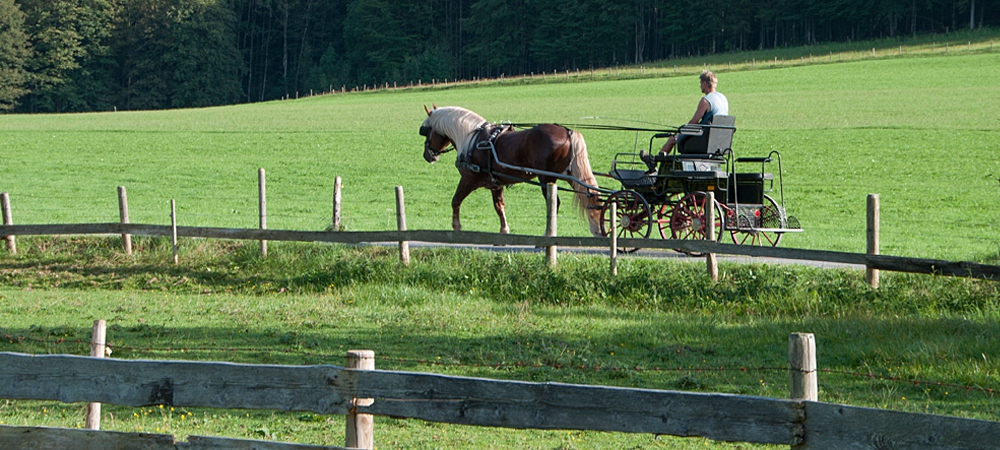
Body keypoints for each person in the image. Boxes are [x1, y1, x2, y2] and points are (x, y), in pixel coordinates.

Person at [640, 70, 728, 170]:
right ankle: (656, 160)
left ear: (704, 83)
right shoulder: (723, 98)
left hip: (704, 138)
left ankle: (654, 161)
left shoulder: (706, 101)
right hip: (718, 141)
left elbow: (694, 122)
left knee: (673, 138)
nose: (700, 86)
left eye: (700, 83)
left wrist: (681, 131)